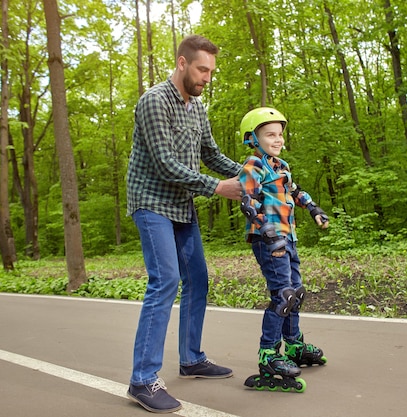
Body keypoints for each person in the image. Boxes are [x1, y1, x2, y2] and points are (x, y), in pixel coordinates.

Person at [126, 35, 242, 413]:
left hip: (181, 205)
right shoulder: (154, 101)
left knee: (198, 279)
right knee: (166, 280)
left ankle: (191, 358)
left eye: (211, 71)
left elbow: (210, 154)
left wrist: (251, 174)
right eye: (201, 69)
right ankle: (142, 380)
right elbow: (165, 164)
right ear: (181, 63)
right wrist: (218, 188)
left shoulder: (198, 108)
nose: (207, 77)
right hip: (151, 202)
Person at [238, 107, 329, 392]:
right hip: (269, 240)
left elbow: (295, 190)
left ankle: (293, 345)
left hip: (288, 238)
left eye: (279, 134)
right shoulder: (254, 166)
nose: (277, 139)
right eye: (270, 134)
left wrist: (313, 208)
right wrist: (266, 230)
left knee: (296, 293)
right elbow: (247, 202)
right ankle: (268, 354)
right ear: (253, 138)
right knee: (282, 295)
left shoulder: (281, 166)